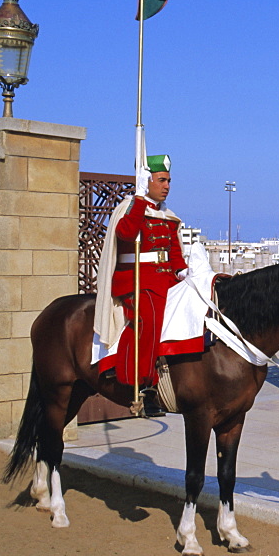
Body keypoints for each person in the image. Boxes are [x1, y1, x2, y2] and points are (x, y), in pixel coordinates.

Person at [94, 154, 202, 390]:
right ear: (147, 181)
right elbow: (125, 234)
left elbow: (174, 253)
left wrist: (182, 272)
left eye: (169, 181)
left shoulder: (168, 216)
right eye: (161, 180)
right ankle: (140, 381)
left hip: (165, 280)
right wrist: (140, 200)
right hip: (136, 281)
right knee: (150, 317)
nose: (167, 186)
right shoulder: (130, 209)